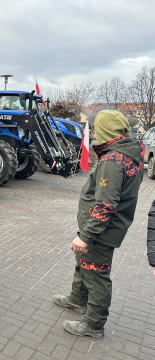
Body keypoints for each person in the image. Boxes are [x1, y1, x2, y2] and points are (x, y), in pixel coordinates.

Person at [53, 110, 144, 338]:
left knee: (96, 275)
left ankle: (93, 324)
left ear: (103, 131)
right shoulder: (129, 154)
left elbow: (106, 205)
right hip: (100, 229)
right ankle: (77, 299)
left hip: (100, 232)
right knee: (83, 264)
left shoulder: (113, 160)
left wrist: (86, 236)